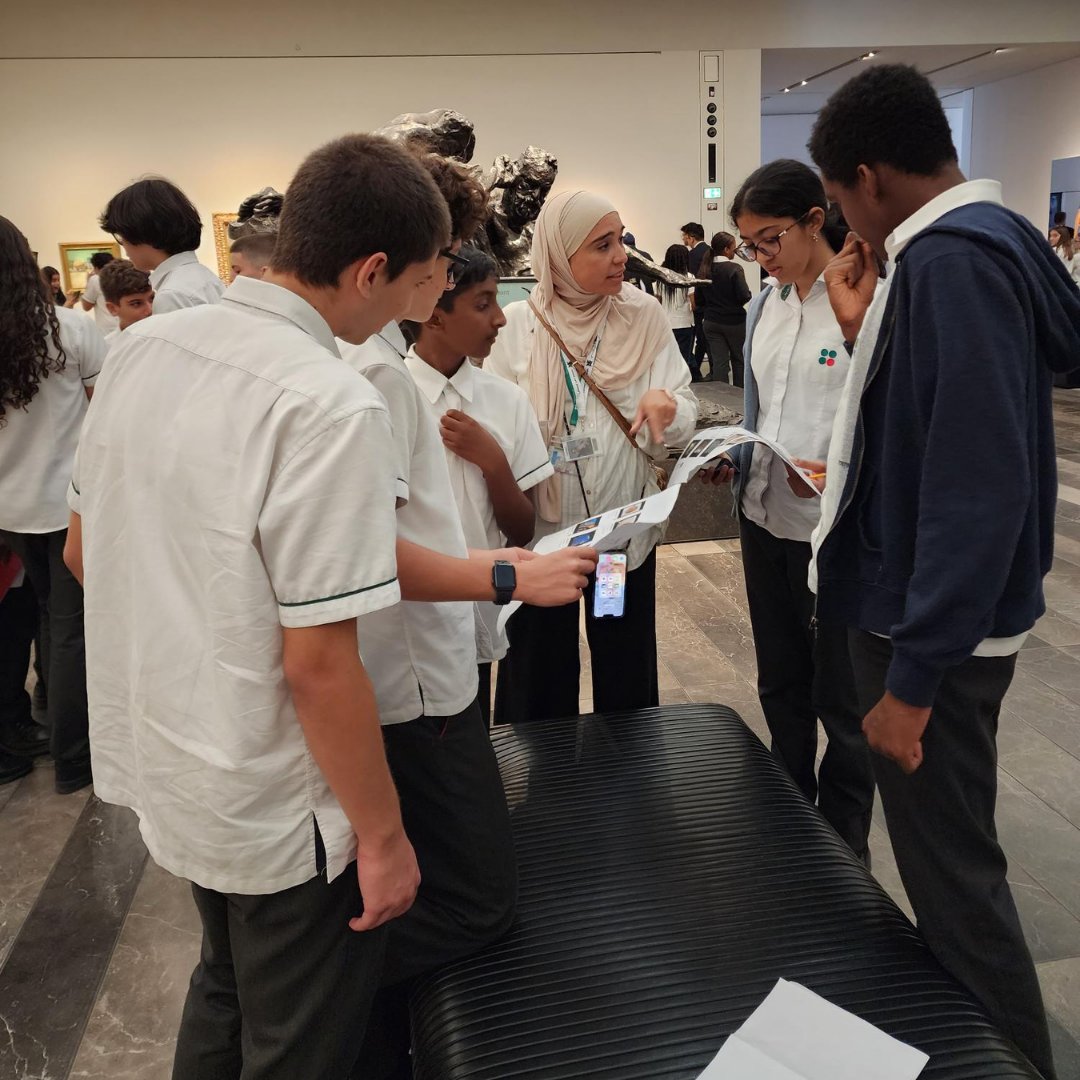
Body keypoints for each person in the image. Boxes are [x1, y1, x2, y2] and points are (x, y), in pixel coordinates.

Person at [65, 133, 465, 1079]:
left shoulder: (144, 347)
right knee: (299, 1041)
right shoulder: (329, 401)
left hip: (175, 750)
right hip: (280, 797)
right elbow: (320, 661)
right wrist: (384, 836)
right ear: (369, 270)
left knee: (225, 986)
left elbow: (88, 552)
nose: (425, 298)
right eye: (420, 279)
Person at [806, 63, 1080, 1080]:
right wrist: (859, 330)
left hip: (934, 639)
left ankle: (1010, 1059)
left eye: (837, 203)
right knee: (949, 869)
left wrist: (912, 686)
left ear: (867, 177)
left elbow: (977, 489)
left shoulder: (954, 263)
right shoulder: (990, 243)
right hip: (937, 619)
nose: (842, 224)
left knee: (955, 885)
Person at [339, 154, 595, 1079]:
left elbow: (513, 513)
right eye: (445, 272)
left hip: (439, 655)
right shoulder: (368, 381)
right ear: (401, 269)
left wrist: (501, 552)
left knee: (446, 860)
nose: (465, 293)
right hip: (398, 673)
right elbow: (369, 561)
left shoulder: (408, 380)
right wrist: (502, 578)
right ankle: (322, 986)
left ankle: (349, 1001)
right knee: (469, 889)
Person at [703, 160, 874, 862]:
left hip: (834, 529)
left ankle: (842, 838)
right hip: (765, 512)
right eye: (748, 245)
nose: (760, 257)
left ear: (814, 218)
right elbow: (761, 408)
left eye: (769, 239)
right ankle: (788, 803)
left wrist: (834, 477)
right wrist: (733, 456)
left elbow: (879, 416)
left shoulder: (863, 298)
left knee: (845, 692)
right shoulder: (766, 304)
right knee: (779, 675)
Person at [489, 191, 697, 723]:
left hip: (616, 542)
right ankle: (539, 783)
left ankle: (627, 774)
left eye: (620, 239)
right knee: (538, 669)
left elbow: (684, 400)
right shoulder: (517, 326)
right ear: (560, 256)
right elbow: (496, 424)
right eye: (601, 246)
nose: (620, 256)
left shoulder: (642, 315)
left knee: (622, 661)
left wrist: (668, 406)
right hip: (544, 543)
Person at [404, 245, 553, 725]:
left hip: (480, 603)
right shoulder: (388, 396)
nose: (500, 320)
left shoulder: (504, 400)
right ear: (434, 315)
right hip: (407, 616)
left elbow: (522, 526)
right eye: (482, 304)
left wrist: (493, 462)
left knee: (472, 727)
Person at [0, 216, 105, 795]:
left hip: (9, 506)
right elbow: (104, 409)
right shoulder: (69, 329)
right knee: (69, 632)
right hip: (68, 504)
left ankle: (46, 723)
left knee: (44, 618)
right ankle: (74, 758)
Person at [99, 177, 224, 312]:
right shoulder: (204, 277)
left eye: (121, 236)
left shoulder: (172, 294)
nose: (123, 244)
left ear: (141, 232)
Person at [695, 231, 751, 386]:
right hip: (734, 322)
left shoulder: (704, 270)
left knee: (719, 363)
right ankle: (740, 396)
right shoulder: (734, 269)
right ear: (727, 249)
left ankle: (722, 400)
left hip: (711, 322)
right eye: (734, 247)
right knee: (739, 360)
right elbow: (744, 296)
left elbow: (699, 300)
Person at [656, 243, 697, 379]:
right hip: (684, 323)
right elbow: (693, 303)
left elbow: (658, 301)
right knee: (683, 358)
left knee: (667, 357)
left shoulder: (661, 277)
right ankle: (681, 383)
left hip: (666, 323)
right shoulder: (689, 277)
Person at [97, 258, 154, 343]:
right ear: (112, 308)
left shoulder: (170, 339)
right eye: (136, 303)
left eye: (152, 299)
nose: (150, 310)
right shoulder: (107, 351)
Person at [682, 221, 710, 374]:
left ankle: (695, 369)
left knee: (697, 337)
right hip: (711, 302)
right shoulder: (710, 251)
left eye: (684, 236)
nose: (683, 240)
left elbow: (691, 280)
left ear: (691, 238)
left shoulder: (691, 255)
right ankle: (705, 368)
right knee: (706, 338)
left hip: (698, 302)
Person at [79, 251, 119, 333]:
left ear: (96, 267)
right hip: (124, 325)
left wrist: (88, 282)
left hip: (107, 329)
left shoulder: (95, 279)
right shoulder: (122, 276)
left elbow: (86, 307)